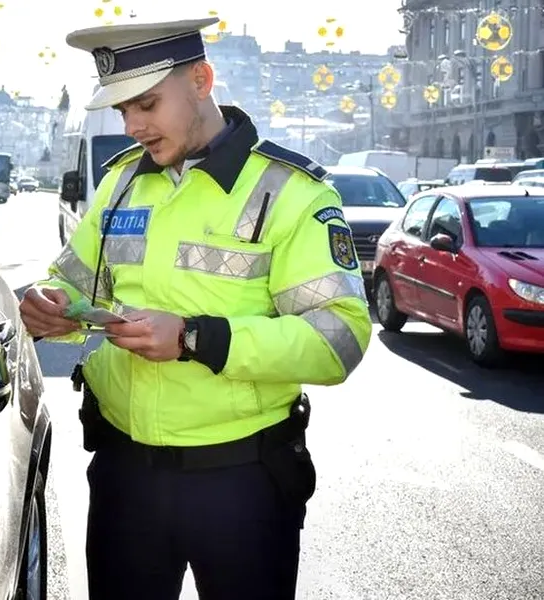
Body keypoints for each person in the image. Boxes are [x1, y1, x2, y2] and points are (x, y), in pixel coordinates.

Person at [19, 17, 372, 600]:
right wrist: (49, 305)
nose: (132, 126)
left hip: (242, 484)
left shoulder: (292, 193)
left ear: (202, 80)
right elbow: (69, 280)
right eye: (123, 111)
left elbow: (339, 340)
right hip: (125, 477)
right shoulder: (122, 184)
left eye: (147, 105)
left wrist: (194, 338)